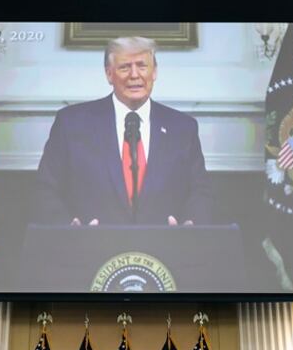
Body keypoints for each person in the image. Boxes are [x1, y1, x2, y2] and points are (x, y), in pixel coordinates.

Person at [34, 36, 213, 227]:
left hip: (163, 250)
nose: (134, 75)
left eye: (142, 66)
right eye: (124, 67)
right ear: (109, 74)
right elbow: (46, 188)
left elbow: (200, 191)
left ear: (154, 72)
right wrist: (67, 228)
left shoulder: (182, 127)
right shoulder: (71, 123)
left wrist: (191, 224)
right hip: (91, 249)